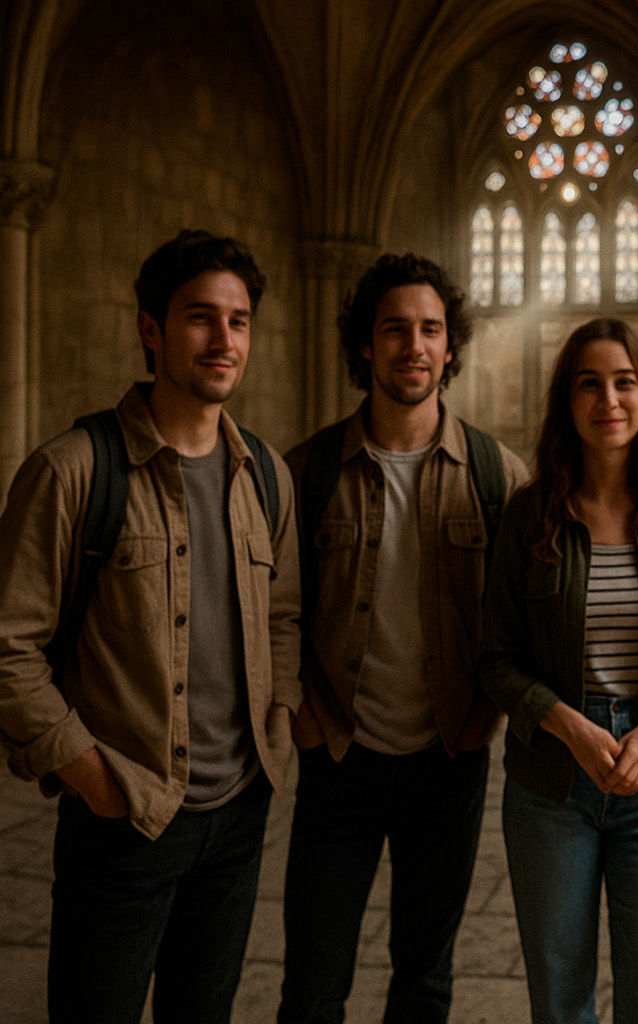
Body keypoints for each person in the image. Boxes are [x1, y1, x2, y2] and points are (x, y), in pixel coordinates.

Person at [0, 230, 301, 1023]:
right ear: (150, 329)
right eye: (200, 317)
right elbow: (7, 649)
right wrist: (89, 774)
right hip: (126, 816)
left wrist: (276, 726)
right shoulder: (72, 470)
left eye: (238, 321)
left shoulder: (266, 475)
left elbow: (284, 619)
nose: (223, 339)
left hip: (238, 820)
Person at [278, 253, 528, 1023]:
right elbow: (275, 613)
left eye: (430, 330)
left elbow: (519, 619)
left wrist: (485, 717)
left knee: (424, 976)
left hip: (445, 762)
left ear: (451, 347)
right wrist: (302, 717)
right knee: (313, 980)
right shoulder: (306, 470)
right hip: (339, 759)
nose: (413, 346)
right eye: (394, 330)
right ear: (364, 345)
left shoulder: (497, 474)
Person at [480, 318, 638, 1024]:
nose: (608, 398)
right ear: (567, 400)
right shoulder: (530, 515)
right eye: (590, 383)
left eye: (625, 381)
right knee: (560, 1002)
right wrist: (573, 730)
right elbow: (496, 658)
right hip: (552, 785)